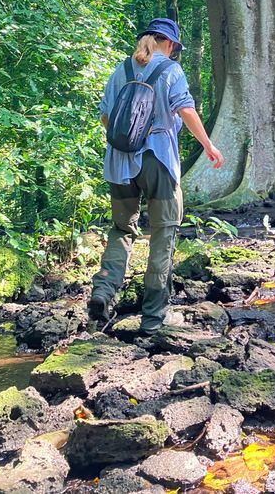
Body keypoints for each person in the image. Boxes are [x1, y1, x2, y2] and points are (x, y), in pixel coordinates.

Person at [89, 17, 224, 332]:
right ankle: (152, 319)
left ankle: (103, 291)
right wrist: (208, 145)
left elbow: (106, 119)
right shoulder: (170, 71)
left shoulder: (120, 71)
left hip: (119, 165)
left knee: (122, 229)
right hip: (157, 161)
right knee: (164, 233)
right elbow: (186, 110)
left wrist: (128, 143)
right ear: (171, 44)